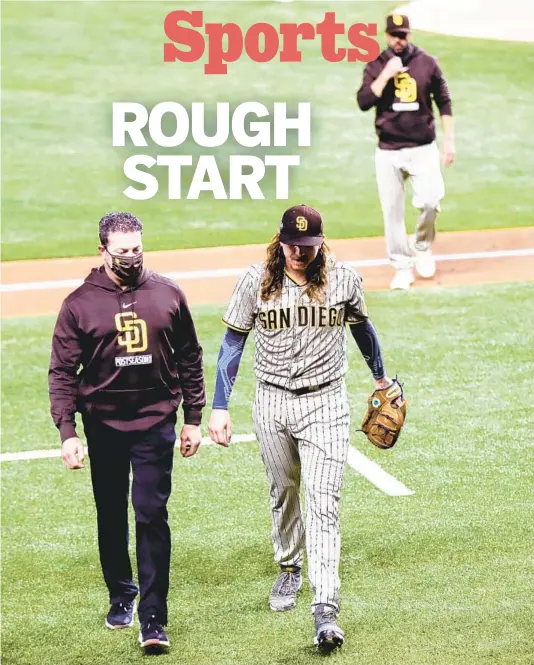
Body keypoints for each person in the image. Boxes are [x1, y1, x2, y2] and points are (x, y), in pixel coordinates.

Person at [208, 204, 394, 652]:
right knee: (283, 489)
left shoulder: (344, 277)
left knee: (323, 501)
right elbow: (233, 341)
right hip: (271, 400)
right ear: (280, 239)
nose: (299, 253)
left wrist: (381, 378)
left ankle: (326, 611)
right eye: (293, 244)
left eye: (308, 247)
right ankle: (289, 567)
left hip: (326, 401)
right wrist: (219, 406)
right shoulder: (255, 280)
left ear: (321, 243)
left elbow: (362, 329)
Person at [48, 211, 205, 654]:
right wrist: (68, 431)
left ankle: (154, 619)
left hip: (156, 421)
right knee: (111, 512)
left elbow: (190, 355)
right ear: (102, 250)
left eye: (137, 249)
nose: (132, 258)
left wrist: (193, 416)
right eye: (122, 252)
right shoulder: (79, 303)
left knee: (151, 514)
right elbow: (61, 372)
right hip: (102, 425)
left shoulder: (168, 293)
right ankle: (122, 592)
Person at [357, 13, 455, 290]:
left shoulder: (427, 64)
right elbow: (364, 101)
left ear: (409, 35)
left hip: (423, 147)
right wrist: (386, 75)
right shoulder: (376, 65)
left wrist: (449, 141)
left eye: (403, 35)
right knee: (392, 212)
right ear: (386, 36)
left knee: (430, 201)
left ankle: (422, 245)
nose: (399, 40)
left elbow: (444, 102)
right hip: (388, 149)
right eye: (394, 35)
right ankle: (401, 267)